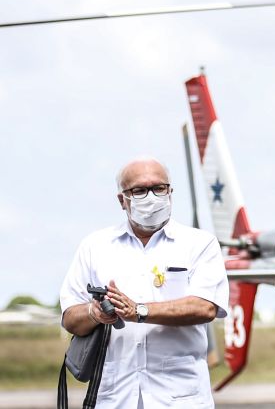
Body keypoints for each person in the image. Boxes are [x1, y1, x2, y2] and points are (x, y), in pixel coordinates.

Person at [60, 157, 229, 409]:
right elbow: (70, 317)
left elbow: (206, 307)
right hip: (115, 397)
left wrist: (138, 311)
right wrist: (94, 313)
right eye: (139, 190)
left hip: (180, 399)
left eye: (159, 188)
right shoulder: (95, 246)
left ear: (170, 192)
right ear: (122, 200)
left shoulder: (200, 243)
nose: (151, 197)